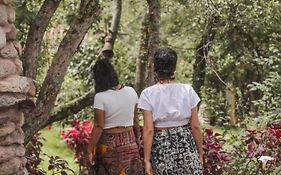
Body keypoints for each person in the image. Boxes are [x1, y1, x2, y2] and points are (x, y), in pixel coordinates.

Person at [138, 47, 203, 175]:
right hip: (186, 145)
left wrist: (146, 160)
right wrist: (200, 153)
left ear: (154, 68)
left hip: (162, 147)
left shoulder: (148, 94)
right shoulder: (187, 90)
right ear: (174, 68)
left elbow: (148, 129)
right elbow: (195, 126)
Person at [87, 59, 143, 175]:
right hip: (130, 141)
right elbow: (135, 120)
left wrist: (90, 150)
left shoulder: (100, 97)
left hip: (109, 146)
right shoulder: (131, 91)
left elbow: (98, 126)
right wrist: (138, 139)